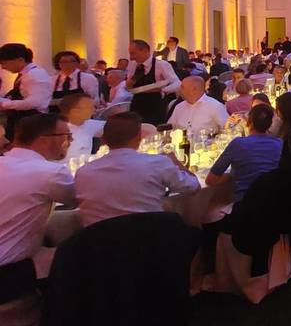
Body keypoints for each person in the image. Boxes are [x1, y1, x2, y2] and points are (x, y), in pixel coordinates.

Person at [74, 112, 199, 227]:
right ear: (139, 138)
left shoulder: (83, 173)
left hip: (100, 245)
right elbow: (193, 187)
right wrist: (178, 163)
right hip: (151, 241)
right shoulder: (157, 163)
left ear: (103, 140)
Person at [0, 114, 75, 279]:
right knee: (85, 255)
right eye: (67, 136)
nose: (71, 141)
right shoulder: (50, 173)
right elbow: (80, 199)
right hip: (8, 272)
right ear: (44, 140)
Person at [207, 104, 282, 202]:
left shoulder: (238, 144)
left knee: (212, 208)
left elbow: (211, 180)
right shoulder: (280, 144)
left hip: (245, 206)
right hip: (273, 202)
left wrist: (232, 174)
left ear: (249, 123)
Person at [126, 39, 181, 126]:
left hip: (155, 105)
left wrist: (162, 90)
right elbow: (128, 87)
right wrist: (133, 79)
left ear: (145, 51)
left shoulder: (162, 65)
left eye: (133, 53)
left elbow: (177, 83)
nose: (131, 57)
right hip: (137, 103)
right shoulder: (132, 65)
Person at [0, 43, 53, 119]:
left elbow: (35, 103)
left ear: (20, 60)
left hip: (34, 120)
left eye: (4, 63)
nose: (3, 67)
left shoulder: (35, 75)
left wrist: (4, 104)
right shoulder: (26, 74)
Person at [58, 93, 104, 163]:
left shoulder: (90, 124)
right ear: (74, 111)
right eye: (90, 107)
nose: (94, 110)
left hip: (83, 170)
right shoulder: (54, 131)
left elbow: (117, 127)